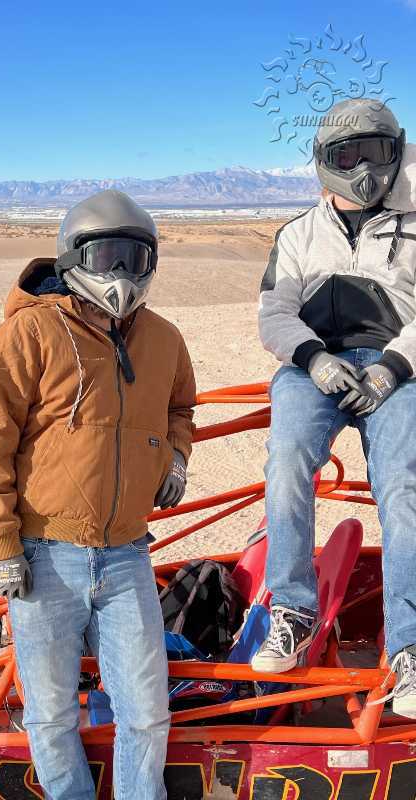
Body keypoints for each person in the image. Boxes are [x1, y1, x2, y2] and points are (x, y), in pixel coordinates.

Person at [0, 189, 196, 799]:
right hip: (44, 554)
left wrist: (175, 454)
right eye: (106, 257)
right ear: (73, 258)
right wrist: (0, 544)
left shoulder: (164, 339)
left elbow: (180, 405)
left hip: (127, 553)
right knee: (50, 713)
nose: (121, 274)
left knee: (146, 711)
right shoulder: (32, 331)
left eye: (134, 259)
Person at [253, 98, 416, 718]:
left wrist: (392, 367)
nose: (363, 170)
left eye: (376, 153)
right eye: (347, 157)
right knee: (287, 461)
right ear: (324, 162)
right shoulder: (298, 234)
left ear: (397, 152)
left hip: (395, 368)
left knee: (403, 484)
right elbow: (274, 311)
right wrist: (314, 357)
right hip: (313, 365)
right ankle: (293, 611)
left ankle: (409, 645)